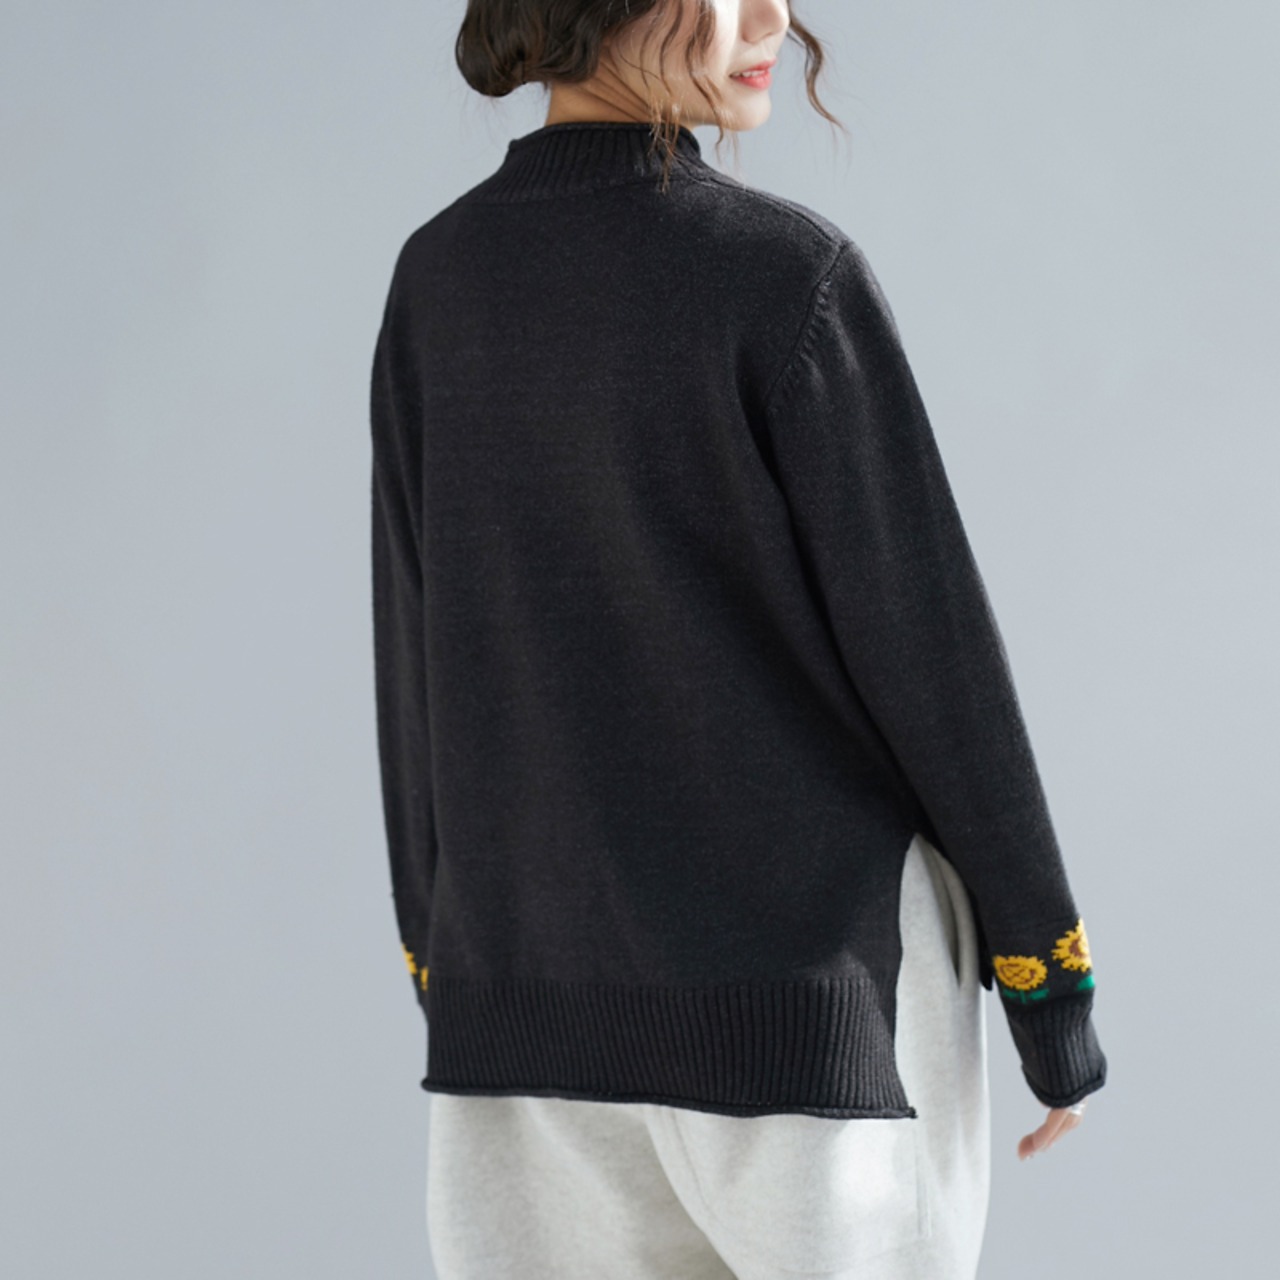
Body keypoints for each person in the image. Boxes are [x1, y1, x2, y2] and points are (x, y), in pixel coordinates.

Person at [368, 2, 1108, 1276]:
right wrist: (1050, 990)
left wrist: (452, 965)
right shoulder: (781, 276)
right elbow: (933, 658)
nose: (773, 17)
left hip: (523, 1028)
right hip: (811, 1025)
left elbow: (413, 664)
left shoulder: (436, 277)